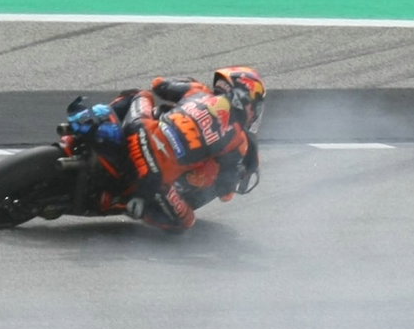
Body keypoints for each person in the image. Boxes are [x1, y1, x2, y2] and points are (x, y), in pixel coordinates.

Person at [66, 66, 266, 231]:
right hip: (154, 176)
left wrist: (186, 81)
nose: (255, 111)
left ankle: (95, 118)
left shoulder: (197, 91)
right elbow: (225, 188)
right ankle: (129, 204)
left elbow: (158, 86)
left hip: (139, 131)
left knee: (139, 95)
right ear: (246, 98)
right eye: (255, 105)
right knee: (185, 223)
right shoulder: (238, 140)